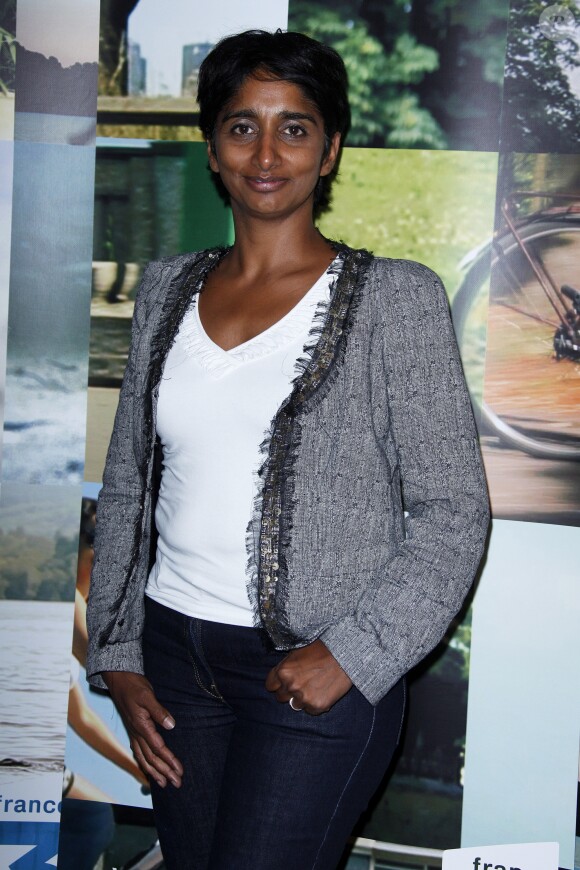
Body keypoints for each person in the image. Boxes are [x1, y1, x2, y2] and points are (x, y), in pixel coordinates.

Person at [86, 29, 489, 870]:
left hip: (310, 677)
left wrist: (354, 652)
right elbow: (127, 485)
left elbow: (453, 513)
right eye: (242, 126)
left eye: (295, 127)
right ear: (212, 146)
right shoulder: (166, 288)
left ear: (331, 147)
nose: (266, 152)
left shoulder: (397, 299)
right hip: (170, 665)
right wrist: (118, 655)